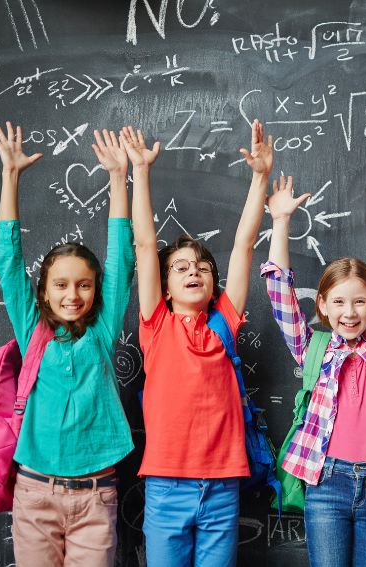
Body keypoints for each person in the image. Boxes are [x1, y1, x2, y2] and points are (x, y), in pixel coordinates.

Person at [261, 172, 366, 567]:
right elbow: (278, 291)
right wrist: (281, 222)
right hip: (326, 483)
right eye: (338, 302)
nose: (349, 313)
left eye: (359, 303)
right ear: (322, 305)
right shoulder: (313, 346)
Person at [123, 120, 272, 566]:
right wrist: (141, 171)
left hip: (223, 485)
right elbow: (146, 244)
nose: (194, 272)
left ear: (213, 284)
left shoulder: (224, 322)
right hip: (166, 485)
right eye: (182, 267)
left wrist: (260, 177)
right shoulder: (157, 324)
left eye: (203, 267)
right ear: (165, 287)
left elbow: (244, 246)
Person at [0, 122, 134, 566]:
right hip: (35, 494)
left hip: (96, 497)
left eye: (84, 285)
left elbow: (121, 255)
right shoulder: (32, 328)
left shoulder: (102, 329)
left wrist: (117, 177)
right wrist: (10, 176)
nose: (73, 295)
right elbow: (9, 262)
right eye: (61, 285)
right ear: (44, 291)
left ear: (96, 289)